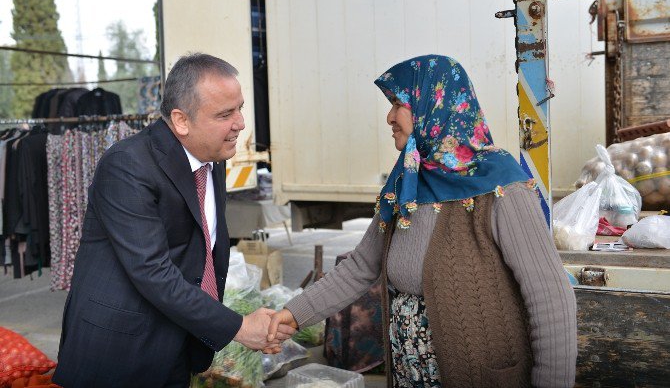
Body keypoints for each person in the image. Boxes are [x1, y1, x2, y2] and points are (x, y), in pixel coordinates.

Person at [268, 55, 577, 387]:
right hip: (412, 374)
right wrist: (291, 315)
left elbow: (550, 298)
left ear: (433, 103)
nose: (389, 117)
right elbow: (360, 267)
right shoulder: (408, 181)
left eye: (397, 104)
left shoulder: (500, 185)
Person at [53, 53, 294, 388]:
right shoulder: (127, 166)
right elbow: (153, 271)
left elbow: (201, 250)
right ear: (181, 120)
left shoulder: (213, 158)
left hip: (176, 343)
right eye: (225, 114)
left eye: (239, 108)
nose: (240, 123)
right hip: (120, 354)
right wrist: (238, 327)